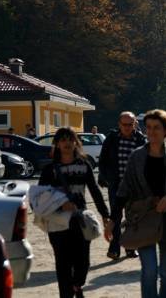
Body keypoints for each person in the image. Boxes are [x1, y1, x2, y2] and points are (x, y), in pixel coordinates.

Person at [104, 109, 166, 298]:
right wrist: (113, 219)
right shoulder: (137, 157)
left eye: (157, 128)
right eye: (149, 127)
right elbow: (123, 190)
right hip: (143, 221)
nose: (152, 132)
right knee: (150, 272)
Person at [37, 127, 110, 298]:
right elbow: (39, 196)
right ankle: (67, 293)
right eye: (62, 140)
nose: (67, 143)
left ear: (76, 142)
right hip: (57, 222)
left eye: (70, 139)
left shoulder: (84, 165)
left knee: (83, 262)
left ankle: (77, 285)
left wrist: (105, 215)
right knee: (63, 265)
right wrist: (60, 205)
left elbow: (95, 191)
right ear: (57, 144)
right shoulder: (50, 169)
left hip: (79, 220)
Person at [98, 111, 146, 260]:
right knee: (116, 216)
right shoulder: (112, 138)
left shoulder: (140, 139)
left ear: (134, 124)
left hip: (134, 186)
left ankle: (131, 248)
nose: (127, 127)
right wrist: (105, 176)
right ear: (119, 124)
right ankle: (114, 248)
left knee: (132, 218)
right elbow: (103, 159)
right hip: (116, 184)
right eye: (124, 124)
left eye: (130, 124)